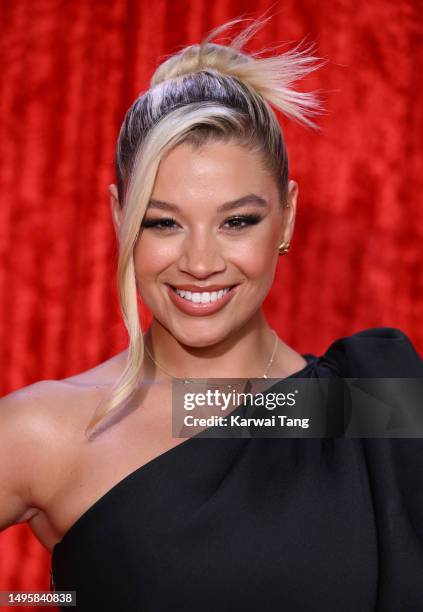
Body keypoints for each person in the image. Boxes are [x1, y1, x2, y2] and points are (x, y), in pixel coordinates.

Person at [1, 15, 422, 612]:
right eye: (163, 221)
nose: (200, 262)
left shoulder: (372, 406)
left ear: (288, 217)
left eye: (237, 221)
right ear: (121, 217)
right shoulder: (49, 430)